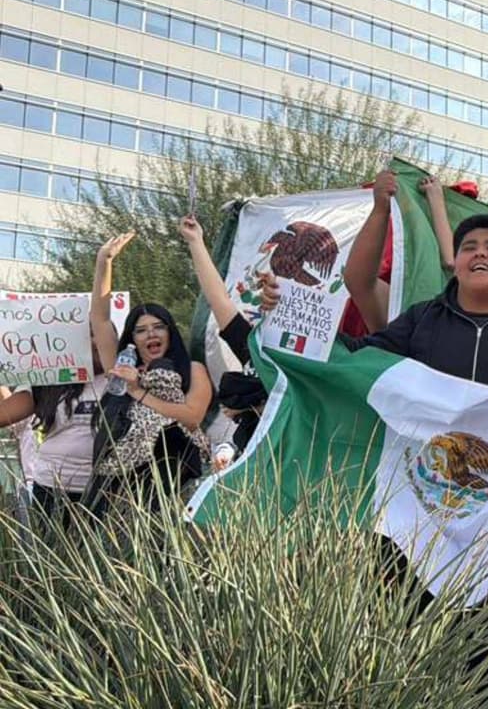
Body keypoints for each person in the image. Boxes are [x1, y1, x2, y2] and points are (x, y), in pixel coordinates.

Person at [342, 212, 488, 703]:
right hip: (423, 517)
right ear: (456, 262)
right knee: (421, 644)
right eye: (470, 246)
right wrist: (287, 324)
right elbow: (359, 365)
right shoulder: (424, 318)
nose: (480, 254)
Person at [86, 233, 213, 514]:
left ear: (170, 331)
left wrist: (138, 392)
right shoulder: (120, 369)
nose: (151, 334)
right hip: (119, 489)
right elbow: (101, 319)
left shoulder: (192, 370)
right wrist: (104, 262)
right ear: (132, 338)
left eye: (158, 327)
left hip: (175, 482)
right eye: (141, 330)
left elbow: (192, 416)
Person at [180, 215, 281, 466]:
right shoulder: (253, 348)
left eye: (278, 297)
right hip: (248, 463)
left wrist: (252, 405)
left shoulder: (311, 362)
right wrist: (195, 242)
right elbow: (218, 300)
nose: (270, 302)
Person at [0, 353, 106, 528]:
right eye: (86, 332)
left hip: (106, 491)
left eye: (96, 333)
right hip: (51, 490)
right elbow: (7, 413)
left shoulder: (122, 379)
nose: (91, 341)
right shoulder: (49, 379)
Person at [344, 170, 455, 334]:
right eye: (470, 247)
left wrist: (435, 198)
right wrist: (381, 210)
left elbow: (451, 260)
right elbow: (360, 282)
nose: (481, 255)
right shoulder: (416, 302)